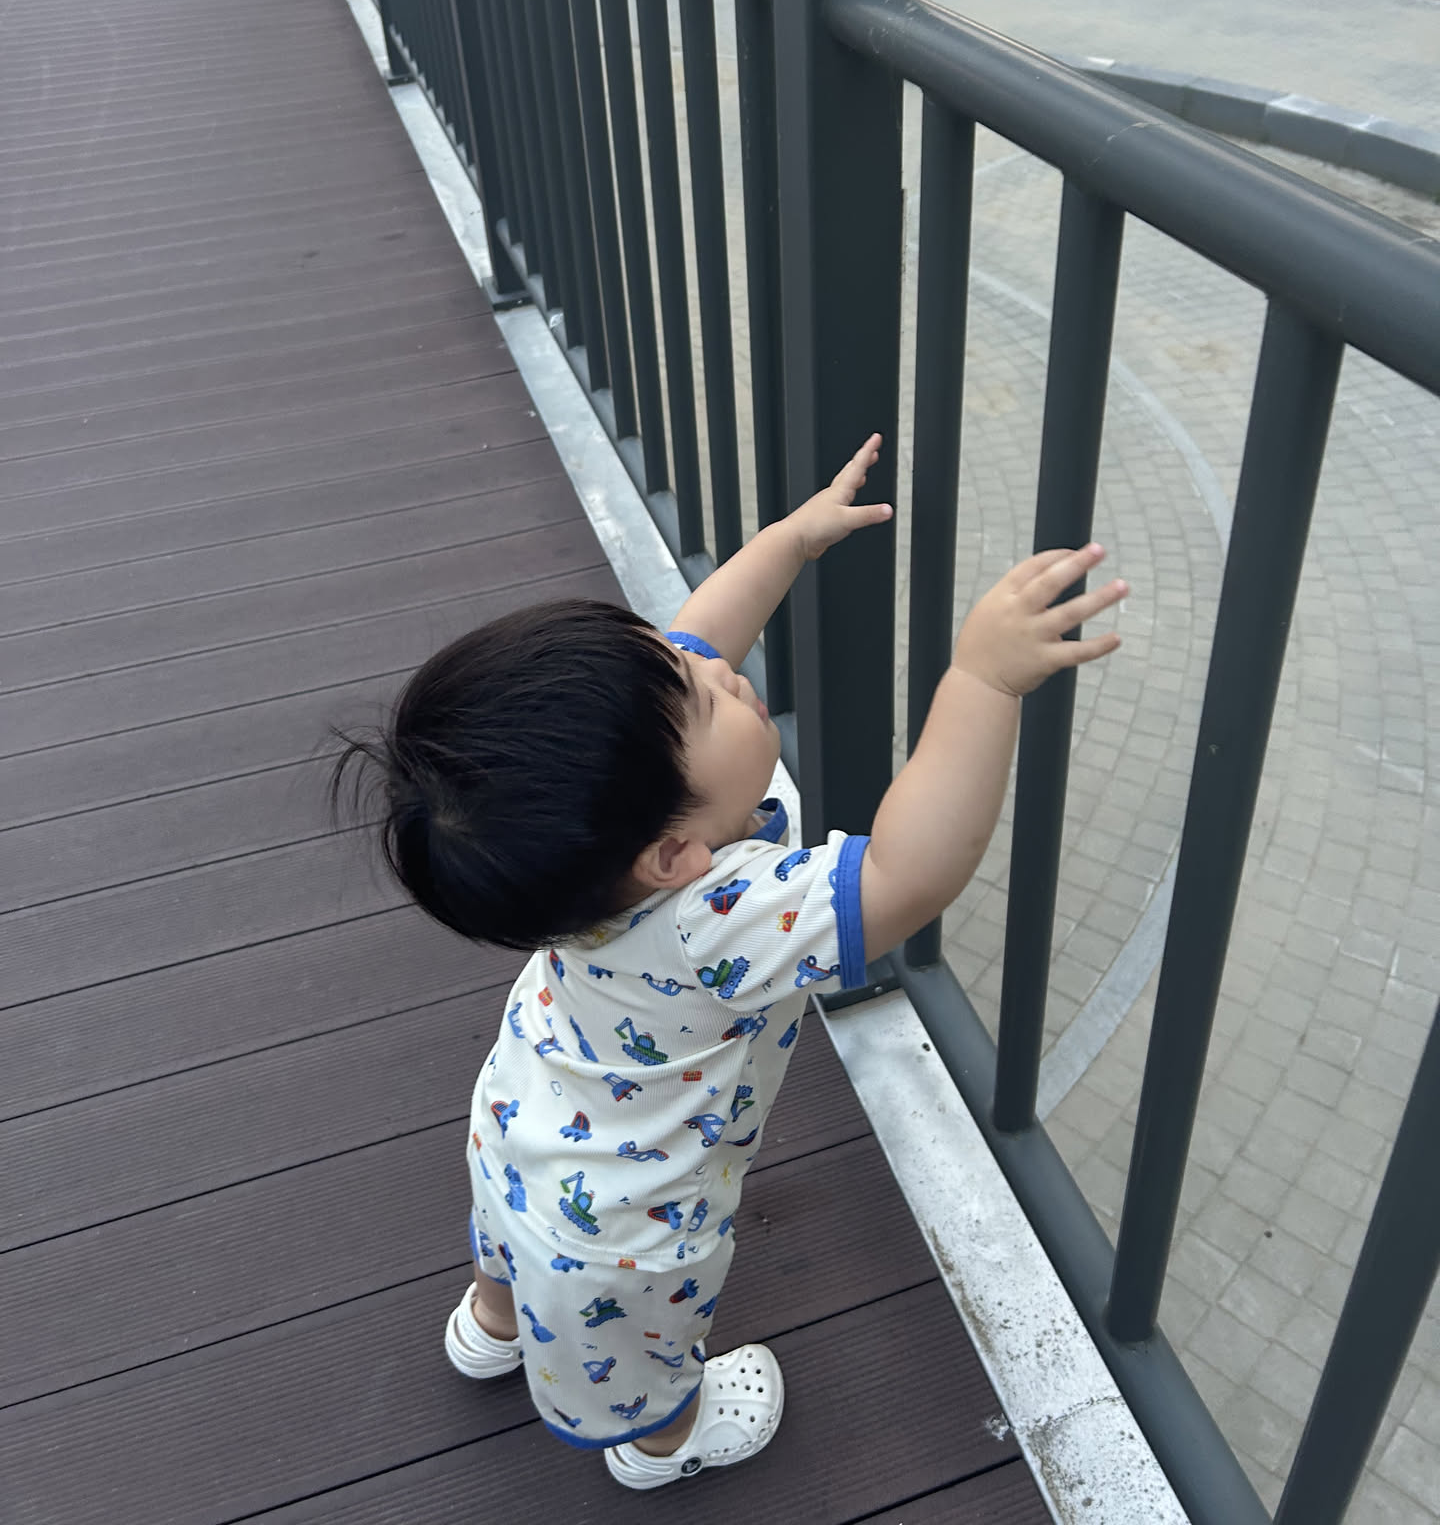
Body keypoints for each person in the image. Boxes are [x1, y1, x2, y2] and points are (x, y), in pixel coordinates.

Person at [333, 434, 1125, 1489]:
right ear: (673, 856)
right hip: (631, 1227)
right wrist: (982, 680)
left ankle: (494, 1320)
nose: (715, 666)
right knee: (638, 1341)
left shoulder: (595, 862)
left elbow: (692, 637)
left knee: (512, 1235)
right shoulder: (716, 915)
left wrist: (790, 543)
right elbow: (906, 875)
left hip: (520, 1120)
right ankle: (661, 1442)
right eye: (704, 698)